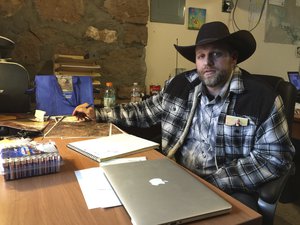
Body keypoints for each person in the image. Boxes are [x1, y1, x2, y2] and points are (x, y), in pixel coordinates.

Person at [73, 21, 295, 211]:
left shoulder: (262, 99)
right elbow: (144, 111)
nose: (207, 63)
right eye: (201, 56)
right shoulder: (180, 86)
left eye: (216, 54)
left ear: (233, 58)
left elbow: (275, 158)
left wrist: (211, 182)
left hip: (230, 187)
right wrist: (98, 114)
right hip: (174, 177)